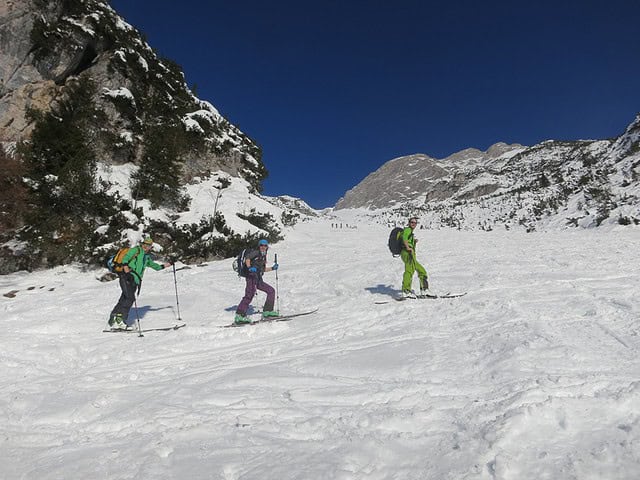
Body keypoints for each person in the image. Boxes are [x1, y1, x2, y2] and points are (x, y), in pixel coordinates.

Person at [108, 237, 171, 329]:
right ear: (143, 244)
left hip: (135, 280)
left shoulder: (146, 257)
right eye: (145, 244)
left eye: (149, 245)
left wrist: (168, 264)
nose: (146, 246)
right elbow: (126, 258)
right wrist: (125, 267)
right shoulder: (136, 250)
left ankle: (113, 318)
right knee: (130, 298)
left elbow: (156, 267)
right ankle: (120, 320)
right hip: (126, 277)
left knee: (124, 298)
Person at [234, 238, 279, 324]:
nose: (263, 247)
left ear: (267, 247)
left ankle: (267, 311)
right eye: (261, 245)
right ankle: (239, 315)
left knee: (271, 291)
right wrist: (250, 267)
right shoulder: (255, 252)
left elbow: (263, 269)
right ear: (259, 246)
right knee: (249, 295)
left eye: (265, 245)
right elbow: (247, 259)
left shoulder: (263, 256)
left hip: (258, 279)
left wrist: (273, 268)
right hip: (251, 277)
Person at [399, 217, 435, 299]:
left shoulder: (409, 231)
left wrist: (413, 242)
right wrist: (408, 247)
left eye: (415, 223)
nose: (413, 224)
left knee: (419, 271)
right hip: (407, 253)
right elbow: (404, 238)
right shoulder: (407, 230)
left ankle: (423, 290)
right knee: (410, 271)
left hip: (409, 254)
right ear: (409, 223)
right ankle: (406, 291)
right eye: (412, 222)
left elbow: (406, 239)